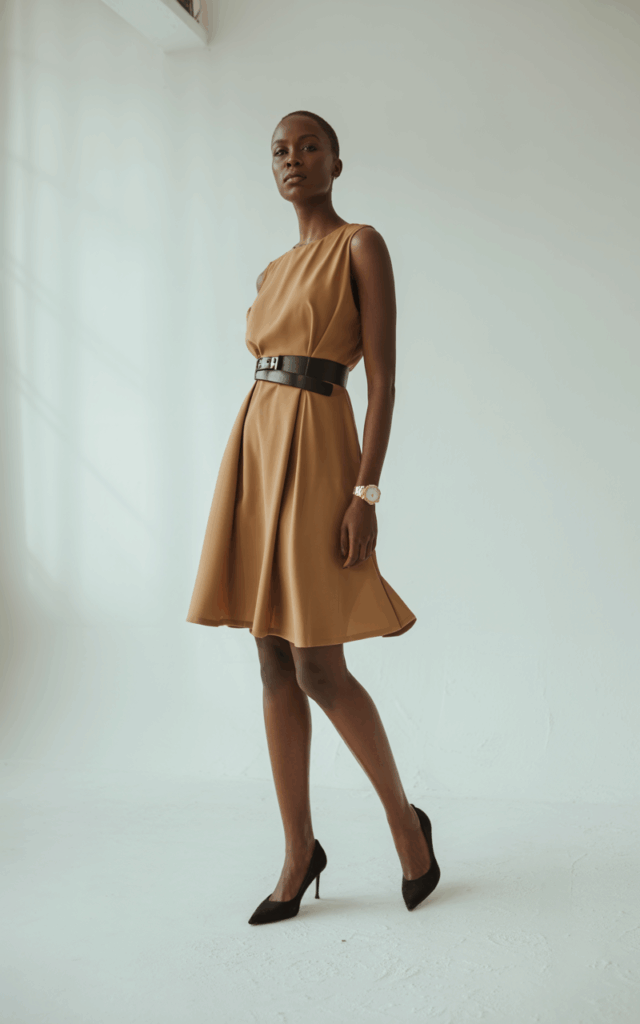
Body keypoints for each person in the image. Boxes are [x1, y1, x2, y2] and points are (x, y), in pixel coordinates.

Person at [186, 110, 440, 923]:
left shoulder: (361, 244)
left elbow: (386, 382)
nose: (292, 160)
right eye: (279, 151)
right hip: (257, 449)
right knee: (269, 660)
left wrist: (366, 492)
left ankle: (406, 827)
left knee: (318, 665)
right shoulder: (272, 269)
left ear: (337, 162)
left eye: (308, 148)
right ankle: (299, 850)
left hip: (322, 449)